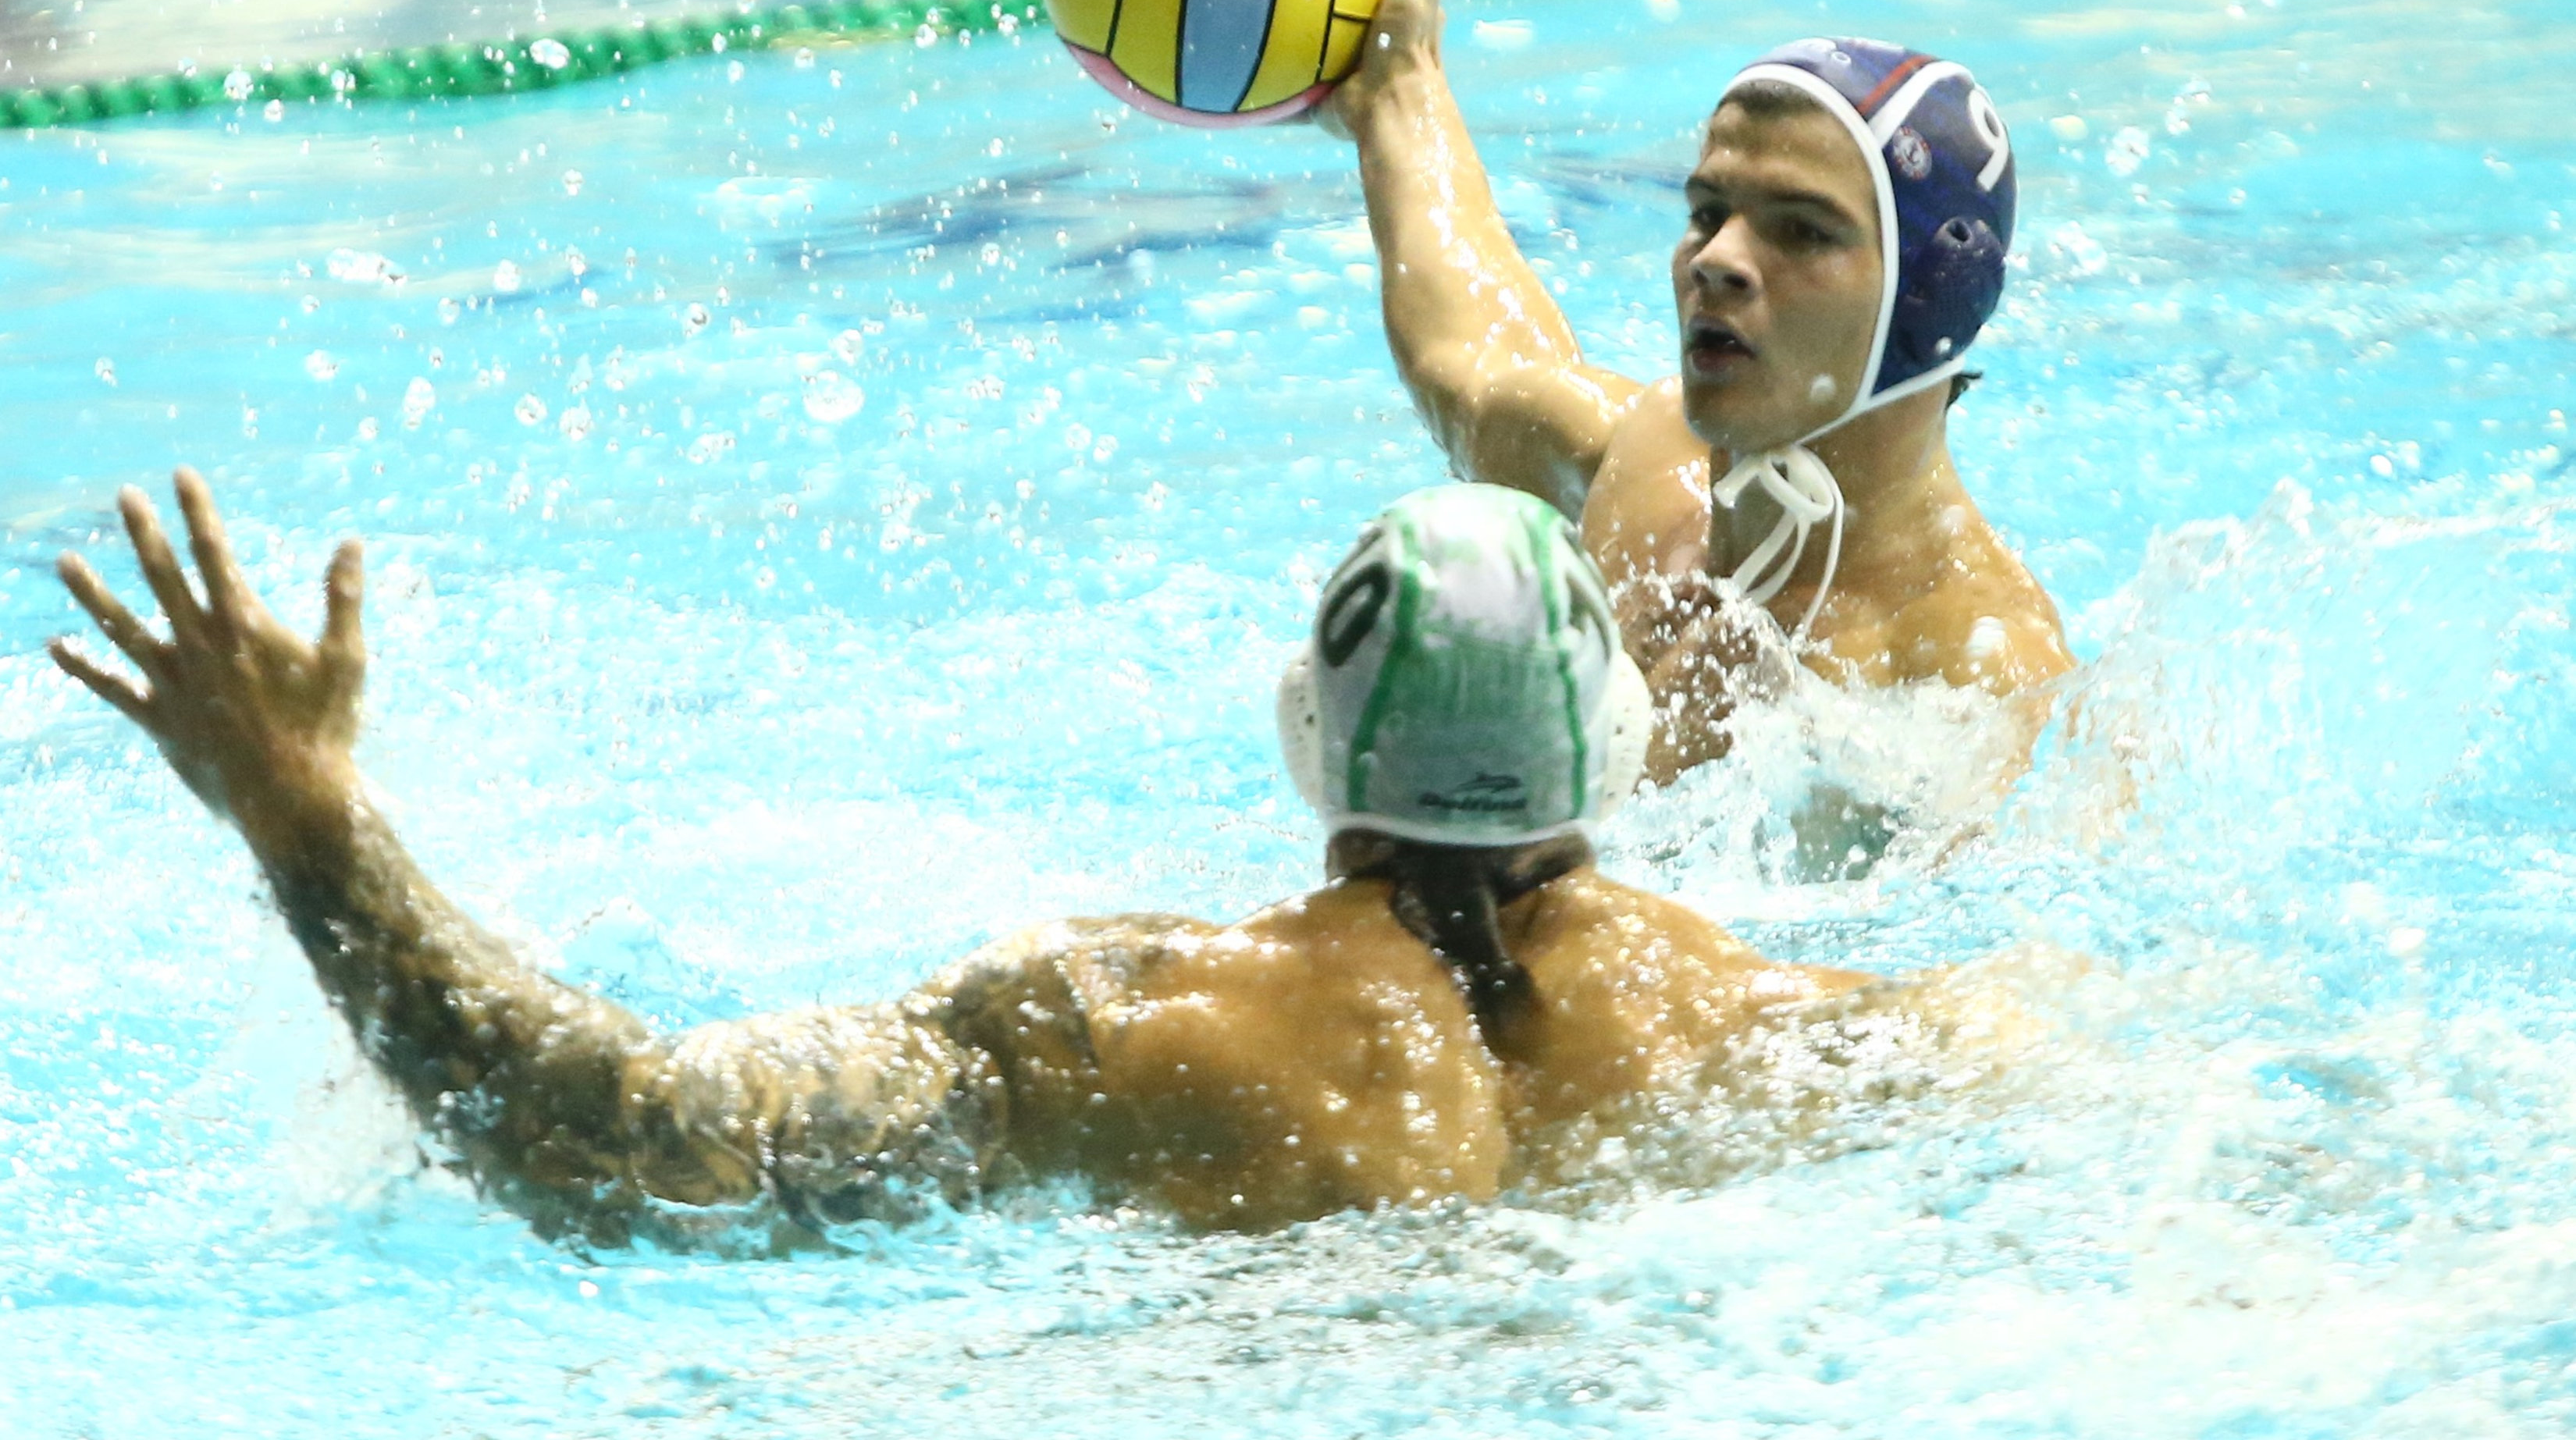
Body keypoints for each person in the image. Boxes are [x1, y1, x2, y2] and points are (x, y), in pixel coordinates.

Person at [48, 471, 2018, 1244]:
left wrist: (304, 814)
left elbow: (623, 1137)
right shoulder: (1784, 1021)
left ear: (1308, 734)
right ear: (1617, 747)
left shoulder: (1112, 1018)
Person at [1323, 0, 2073, 783]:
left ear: (1932, 297)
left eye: (1801, 230)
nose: (1718, 258)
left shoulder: (1974, 685)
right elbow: (1474, 367)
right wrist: (1398, 89)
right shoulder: (1652, 469)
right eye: (1709, 212)